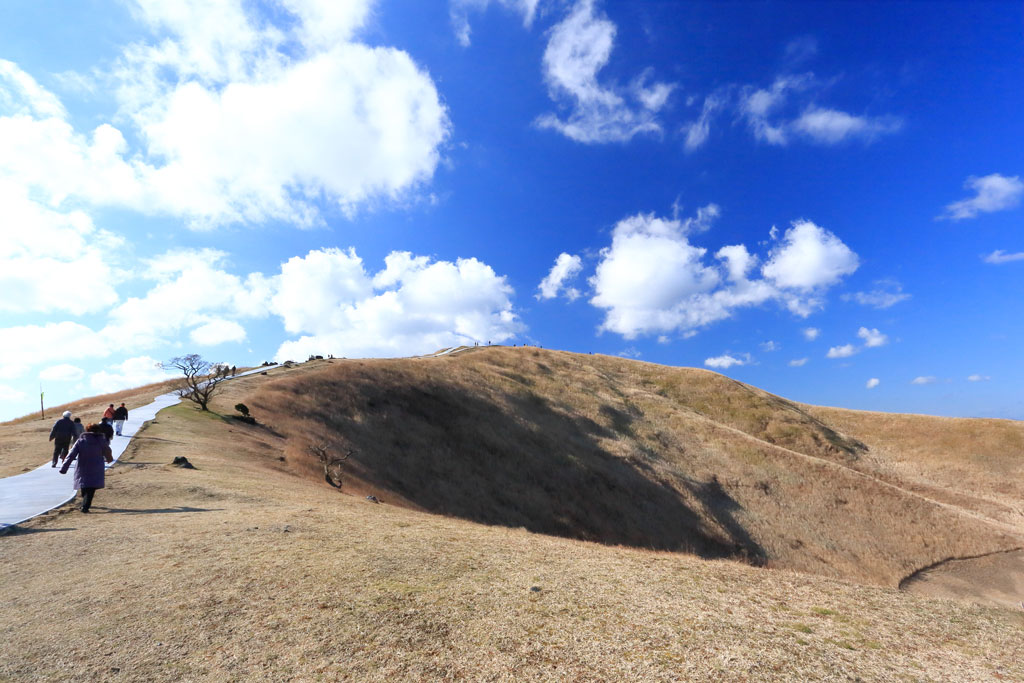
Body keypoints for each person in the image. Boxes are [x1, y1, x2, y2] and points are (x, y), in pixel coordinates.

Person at [59, 423, 113, 513]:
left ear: (87, 430)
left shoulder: (81, 441)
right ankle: (85, 506)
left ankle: (85, 506)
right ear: (98, 431)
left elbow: (71, 455)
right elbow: (107, 450)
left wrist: (64, 468)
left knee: (84, 485)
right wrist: (109, 459)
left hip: (83, 466)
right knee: (91, 488)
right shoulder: (101, 440)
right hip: (96, 467)